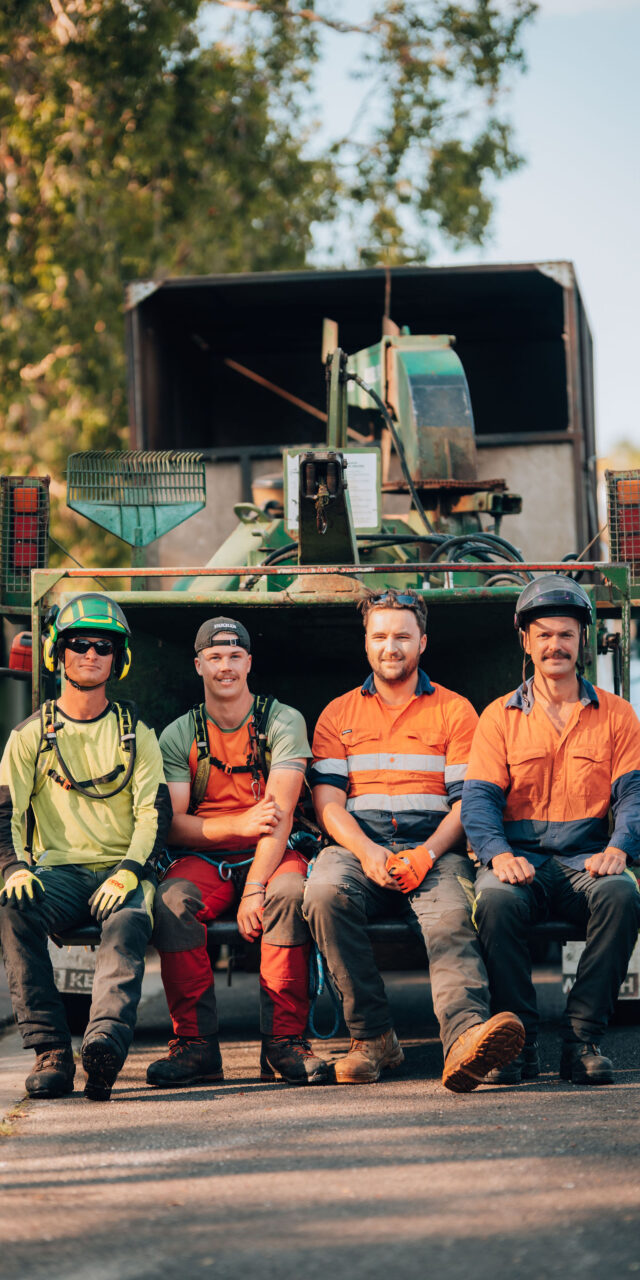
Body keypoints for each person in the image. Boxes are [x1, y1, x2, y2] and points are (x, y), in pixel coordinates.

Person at [303, 588, 524, 1091]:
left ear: (422, 642)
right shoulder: (338, 714)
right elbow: (328, 804)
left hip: (436, 848)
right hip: (359, 847)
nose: (391, 647)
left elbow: (467, 804)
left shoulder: (455, 711)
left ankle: (465, 1041)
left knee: (452, 920)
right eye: (380, 636)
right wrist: (367, 852)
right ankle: (372, 1038)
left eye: (402, 636)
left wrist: (426, 854)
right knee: (323, 894)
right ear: (366, 643)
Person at [461, 574, 640, 1085]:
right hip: (520, 862)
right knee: (494, 902)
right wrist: (497, 854)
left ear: (582, 640)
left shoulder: (617, 715)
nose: (554, 645)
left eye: (565, 634)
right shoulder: (499, 717)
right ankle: (518, 1045)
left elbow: (634, 794)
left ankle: (582, 1040)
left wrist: (620, 847)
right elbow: (478, 801)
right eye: (543, 635)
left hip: (587, 861)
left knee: (623, 895)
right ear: (526, 641)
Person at [0, 592, 170, 1101]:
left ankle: (103, 1046)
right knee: (13, 909)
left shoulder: (137, 734)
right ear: (57, 653)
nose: (91, 654)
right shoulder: (30, 737)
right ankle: (52, 1051)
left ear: (120, 659)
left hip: (123, 871)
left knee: (128, 923)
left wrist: (130, 870)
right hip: (61, 874)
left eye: (104, 646)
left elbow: (153, 813)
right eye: (78, 644)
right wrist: (13, 868)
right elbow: (6, 813)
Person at [146, 616, 328, 1088]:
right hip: (207, 857)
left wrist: (255, 888)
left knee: (289, 895)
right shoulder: (179, 735)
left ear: (249, 662)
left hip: (274, 852)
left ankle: (284, 1041)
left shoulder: (282, 721)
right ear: (198, 665)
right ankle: (195, 1046)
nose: (224, 666)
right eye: (214, 657)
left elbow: (280, 817)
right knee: (170, 902)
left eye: (234, 656)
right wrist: (236, 824)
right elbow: (173, 825)